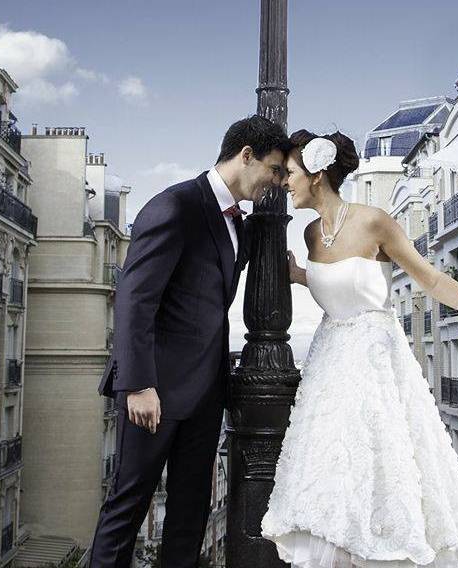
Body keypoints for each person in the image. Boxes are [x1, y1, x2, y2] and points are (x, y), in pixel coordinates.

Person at [260, 129, 458, 568]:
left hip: (374, 363)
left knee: (380, 468)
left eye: (289, 173)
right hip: (329, 368)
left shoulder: (374, 221)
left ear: (318, 173)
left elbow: (432, 279)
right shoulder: (309, 236)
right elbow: (340, 288)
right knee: (333, 477)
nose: (283, 182)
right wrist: (301, 276)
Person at [90, 115, 290, 567]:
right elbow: (134, 300)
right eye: (274, 170)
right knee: (127, 508)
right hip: (154, 393)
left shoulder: (238, 223)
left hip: (204, 396)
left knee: (191, 515)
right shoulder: (175, 206)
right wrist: (138, 384)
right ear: (245, 155)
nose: (276, 182)